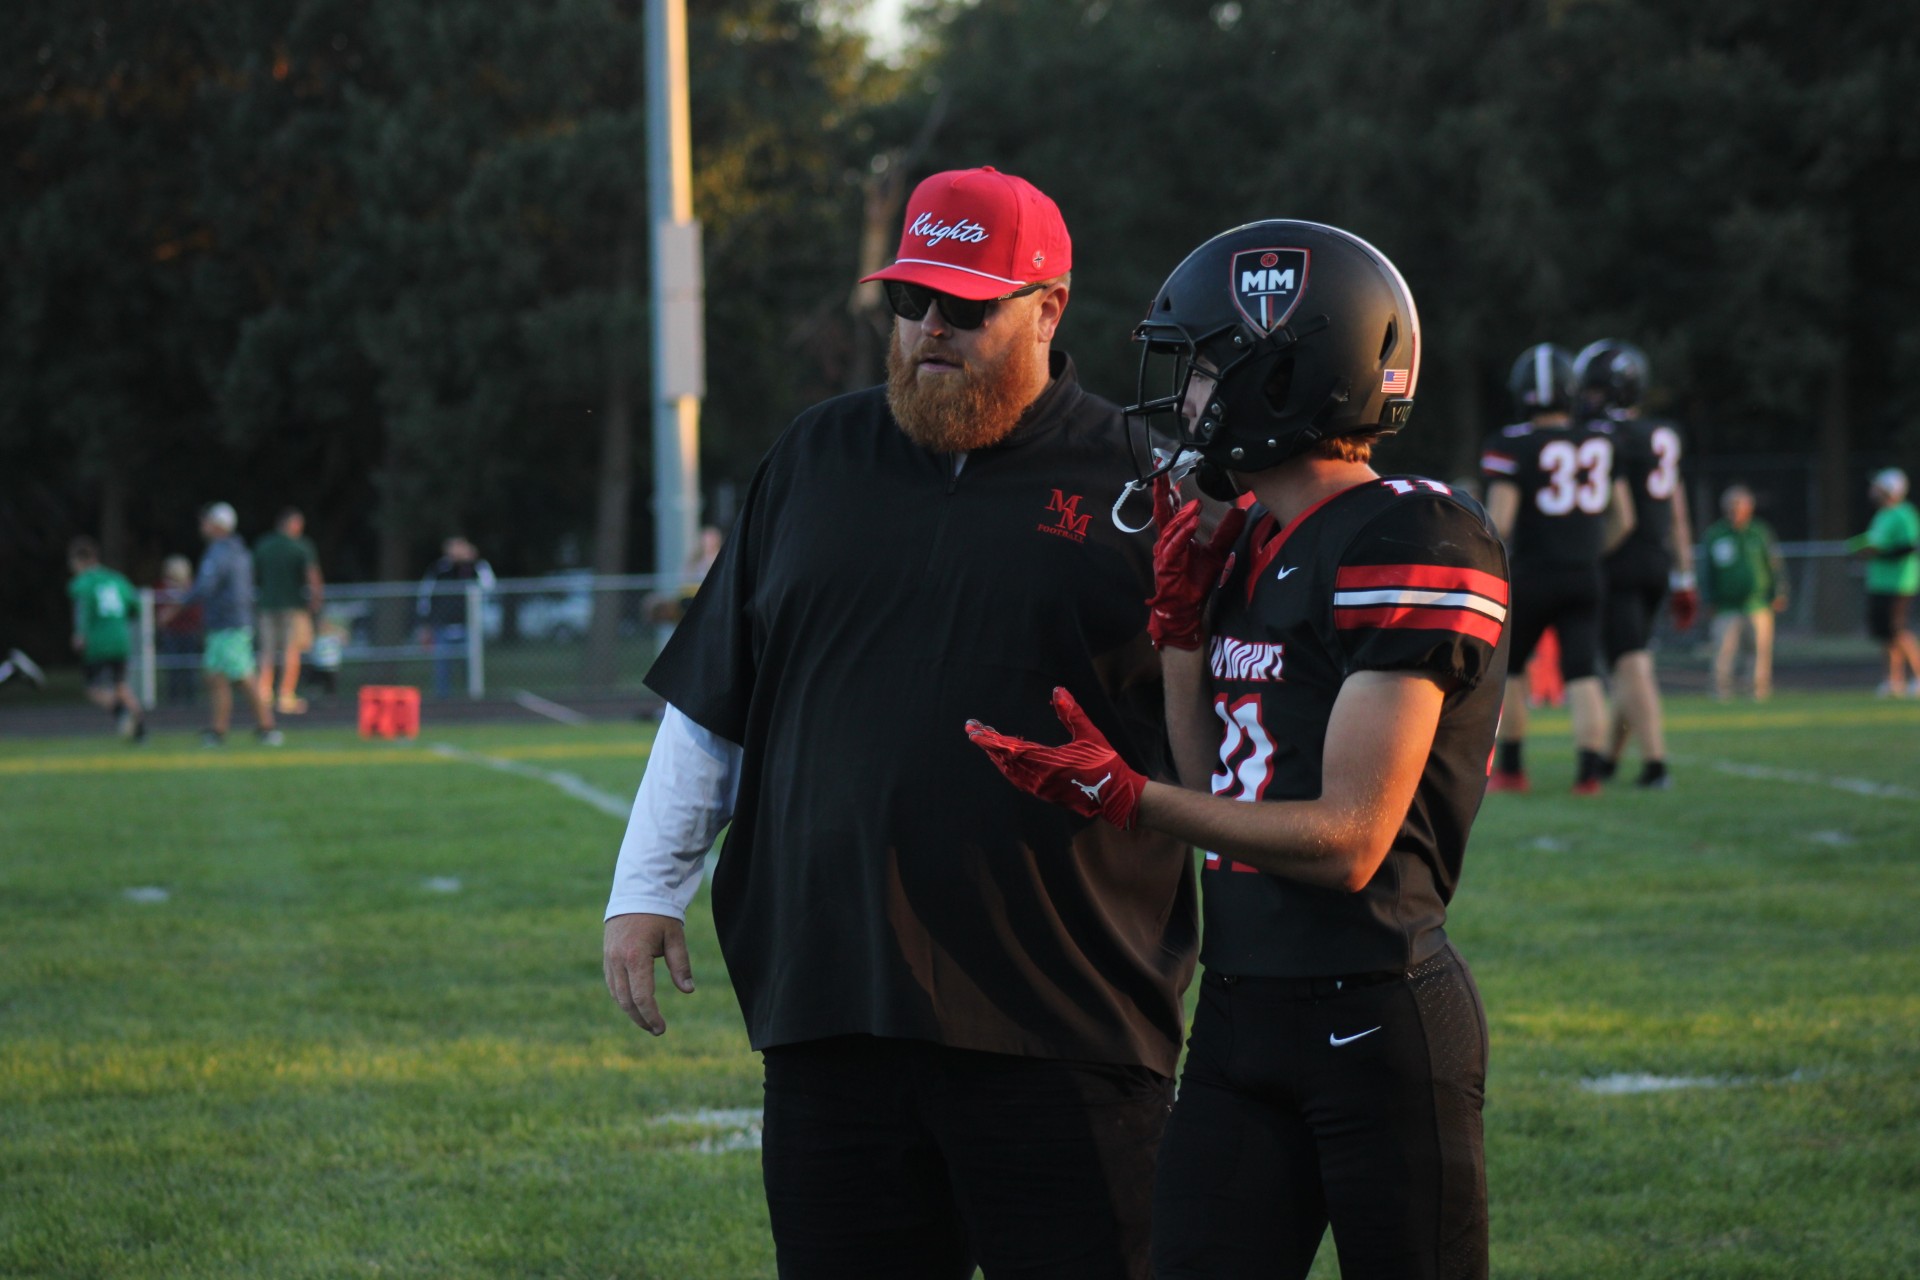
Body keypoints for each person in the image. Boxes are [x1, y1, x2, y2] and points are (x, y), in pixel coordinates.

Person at [602, 166, 1196, 1279]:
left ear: (1049, 307)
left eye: (967, 306)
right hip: (837, 1008)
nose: (932, 328)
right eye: (910, 301)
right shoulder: (814, 457)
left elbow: (1212, 729)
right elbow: (715, 699)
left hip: (1065, 1015)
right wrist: (645, 888)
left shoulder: (1142, 480)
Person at [968, 220, 1506, 1279]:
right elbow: (1209, 777)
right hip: (1242, 1004)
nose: (1189, 393)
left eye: (1209, 364)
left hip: (1377, 1011)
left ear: (1285, 373)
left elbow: (1347, 839)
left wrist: (1124, 799)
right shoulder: (1253, 538)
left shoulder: (1415, 535)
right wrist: (1181, 627)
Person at [1480, 343, 1635, 794]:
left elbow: (1501, 521)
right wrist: (1588, 552)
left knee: (1510, 669)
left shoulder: (1510, 444)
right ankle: (1588, 775)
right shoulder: (1600, 441)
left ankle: (1511, 769)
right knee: (1583, 672)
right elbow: (1624, 518)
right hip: (1586, 573)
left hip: (1531, 573)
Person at [1574, 339, 1697, 789]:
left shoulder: (1604, 437)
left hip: (1620, 560)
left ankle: (1656, 764)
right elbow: (1678, 510)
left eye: (1591, 391)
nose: (1585, 399)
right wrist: (1686, 573)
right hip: (1658, 560)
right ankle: (1610, 757)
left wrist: (1588, 556)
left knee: (1630, 664)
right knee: (1631, 663)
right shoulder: (1661, 434)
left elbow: (1619, 517)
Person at [166, 502, 281, 746]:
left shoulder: (219, 552)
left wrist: (175, 608)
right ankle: (219, 731)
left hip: (228, 625)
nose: (202, 525)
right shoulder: (239, 550)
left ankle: (267, 727)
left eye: (206, 521)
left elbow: (204, 587)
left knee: (243, 677)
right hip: (232, 622)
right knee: (217, 676)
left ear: (217, 525)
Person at [1697, 485, 1787, 700]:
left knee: (1758, 651)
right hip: (1726, 606)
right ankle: (1720, 692)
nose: (1735, 510)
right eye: (1731, 506)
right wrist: (1708, 599)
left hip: (1757, 604)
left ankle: (1757, 691)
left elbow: (1774, 564)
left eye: (1739, 505)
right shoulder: (1716, 535)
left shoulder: (1760, 532)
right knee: (1723, 651)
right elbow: (1706, 570)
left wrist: (1779, 591)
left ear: (1749, 508)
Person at [65, 537, 147, 741]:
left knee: (93, 689)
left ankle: (121, 714)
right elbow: (135, 608)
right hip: (121, 640)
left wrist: (80, 634)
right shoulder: (117, 579)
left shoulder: (82, 583)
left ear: (79, 561)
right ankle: (141, 729)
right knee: (120, 685)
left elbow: (82, 610)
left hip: (97, 643)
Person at [1847, 467, 1920, 696]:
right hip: (1879, 582)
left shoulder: (1904, 513)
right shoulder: (1882, 515)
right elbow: (1872, 542)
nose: (1873, 491)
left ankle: (1918, 676)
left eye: (1878, 488)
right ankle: (1893, 680)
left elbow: (1908, 546)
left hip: (1899, 582)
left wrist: (1878, 553)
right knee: (1886, 635)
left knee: (1898, 630)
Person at [253, 507, 323, 714]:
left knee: (266, 651)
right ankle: (285, 695)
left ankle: (263, 694)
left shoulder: (263, 545)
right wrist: (316, 599)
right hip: (294, 606)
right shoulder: (300, 546)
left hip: (267, 605)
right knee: (291, 651)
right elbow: (312, 575)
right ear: (291, 524)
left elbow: (253, 573)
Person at [415, 536, 495, 698]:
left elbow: (490, 587)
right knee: (442, 668)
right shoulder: (438, 569)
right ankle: (443, 705)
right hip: (442, 626)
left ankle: (473, 701)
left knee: (471, 667)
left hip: (469, 625)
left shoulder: (477, 567)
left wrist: (473, 563)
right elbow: (425, 595)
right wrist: (424, 624)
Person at [155, 555, 203, 705]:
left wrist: (175, 609)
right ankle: (173, 702)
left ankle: (191, 702)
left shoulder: (193, 587)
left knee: (190, 670)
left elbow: (197, 612)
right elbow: (159, 613)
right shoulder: (162, 587)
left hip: (189, 632)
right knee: (172, 669)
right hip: (171, 633)